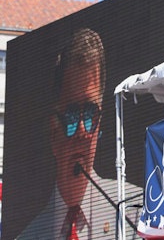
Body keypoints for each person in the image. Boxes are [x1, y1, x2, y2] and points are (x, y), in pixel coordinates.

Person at [18, 28, 142, 239]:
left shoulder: (136, 213)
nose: (83, 131)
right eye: (73, 116)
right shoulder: (29, 235)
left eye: (91, 115)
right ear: (53, 131)